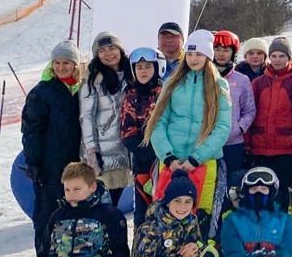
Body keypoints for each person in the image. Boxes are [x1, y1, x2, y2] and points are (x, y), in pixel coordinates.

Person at [146, 29, 233, 236]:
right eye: (190, 54)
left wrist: (197, 157)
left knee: (202, 214)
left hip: (203, 162)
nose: (193, 59)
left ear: (208, 57)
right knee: (165, 211)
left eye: (199, 54)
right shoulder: (172, 83)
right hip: (171, 161)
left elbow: (222, 127)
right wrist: (168, 157)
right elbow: (158, 122)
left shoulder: (219, 86)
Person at [22, 40, 83, 257]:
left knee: (76, 216)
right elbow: (31, 129)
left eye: (66, 62)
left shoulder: (81, 90)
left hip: (77, 167)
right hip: (50, 167)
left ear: (75, 65)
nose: (61, 67)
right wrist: (34, 161)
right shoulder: (42, 92)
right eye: (57, 63)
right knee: (47, 220)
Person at [248, 37, 292, 209]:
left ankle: (279, 229)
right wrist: (247, 143)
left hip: (286, 148)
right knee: (260, 191)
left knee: (280, 191)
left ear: (288, 57)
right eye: (274, 55)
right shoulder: (259, 83)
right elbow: (250, 113)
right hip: (261, 147)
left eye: (281, 56)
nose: (277, 60)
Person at [79, 31, 133, 207]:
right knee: (103, 204)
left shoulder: (131, 75)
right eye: (102, 50)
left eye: (112, 48)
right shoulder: (92, 81)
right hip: (103, 153)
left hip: (125, 149)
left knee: (116, 199)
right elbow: (86, 118)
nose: (108, 53)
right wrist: (92, 152)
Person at [121, 47, 164, 226]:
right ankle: (140, 249)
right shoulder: (131, 95)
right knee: (143, 212)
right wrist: (147, 153)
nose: (143, 71)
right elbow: (127, 133)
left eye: (147, 66)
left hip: (165, 160)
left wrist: (162, 152)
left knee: (164, 208)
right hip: (143, 162)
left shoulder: (166, 92)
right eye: (139, 67)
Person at [212, 30, 256, 192]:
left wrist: (238, 128)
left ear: (233, 53)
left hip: (233, 144)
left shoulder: (242, 80)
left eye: (226, 50)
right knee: (210, 187)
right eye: (217, 49)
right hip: (207, 144)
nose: (221, 54)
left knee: (232, 188)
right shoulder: (204, 77)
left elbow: (250, 110)